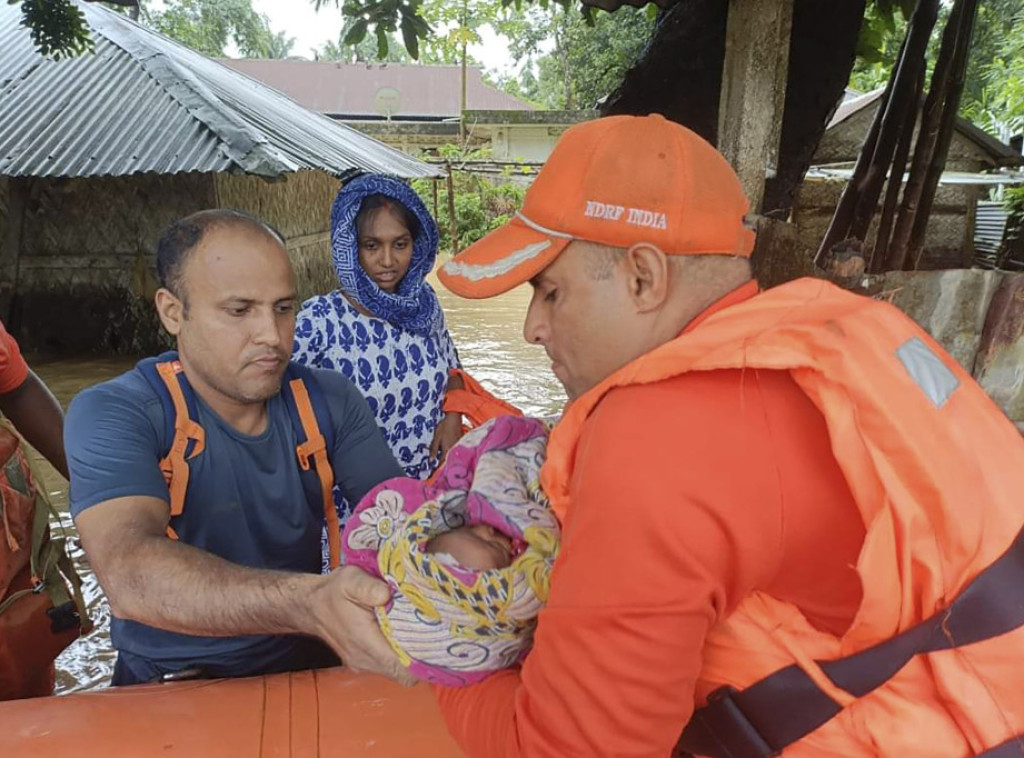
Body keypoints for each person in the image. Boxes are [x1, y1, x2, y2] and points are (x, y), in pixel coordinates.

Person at [430, 114, 1024, 758]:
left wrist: (425, 650)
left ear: (643, 278)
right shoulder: (850, 332)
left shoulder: (656, 439)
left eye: (549, 293)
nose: (532, 330)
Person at [64, 209, 410, 686]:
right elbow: (129, 574)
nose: (271, 335)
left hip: (312, 662)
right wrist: (308, 602)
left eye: (284, 308)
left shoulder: (329, 400)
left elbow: (405, 524)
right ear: (172, 312)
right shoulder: (116, 412)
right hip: (174, 682)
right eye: (239, 310)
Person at [293, 176, 464, 524]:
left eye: (400, 244)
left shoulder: (424, 307)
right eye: (372, 246)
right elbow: (270, 400)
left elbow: (453, 371)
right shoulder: (321, 321)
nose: (388, 260)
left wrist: (452, 417)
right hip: (353, 508)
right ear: (350, 247)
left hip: (427, 491)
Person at [342, 414, 557, 687]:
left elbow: (498, 446)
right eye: (499, 550)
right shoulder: (540, 566)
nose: (489, 530)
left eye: (469, 532)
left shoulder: (453, 502)